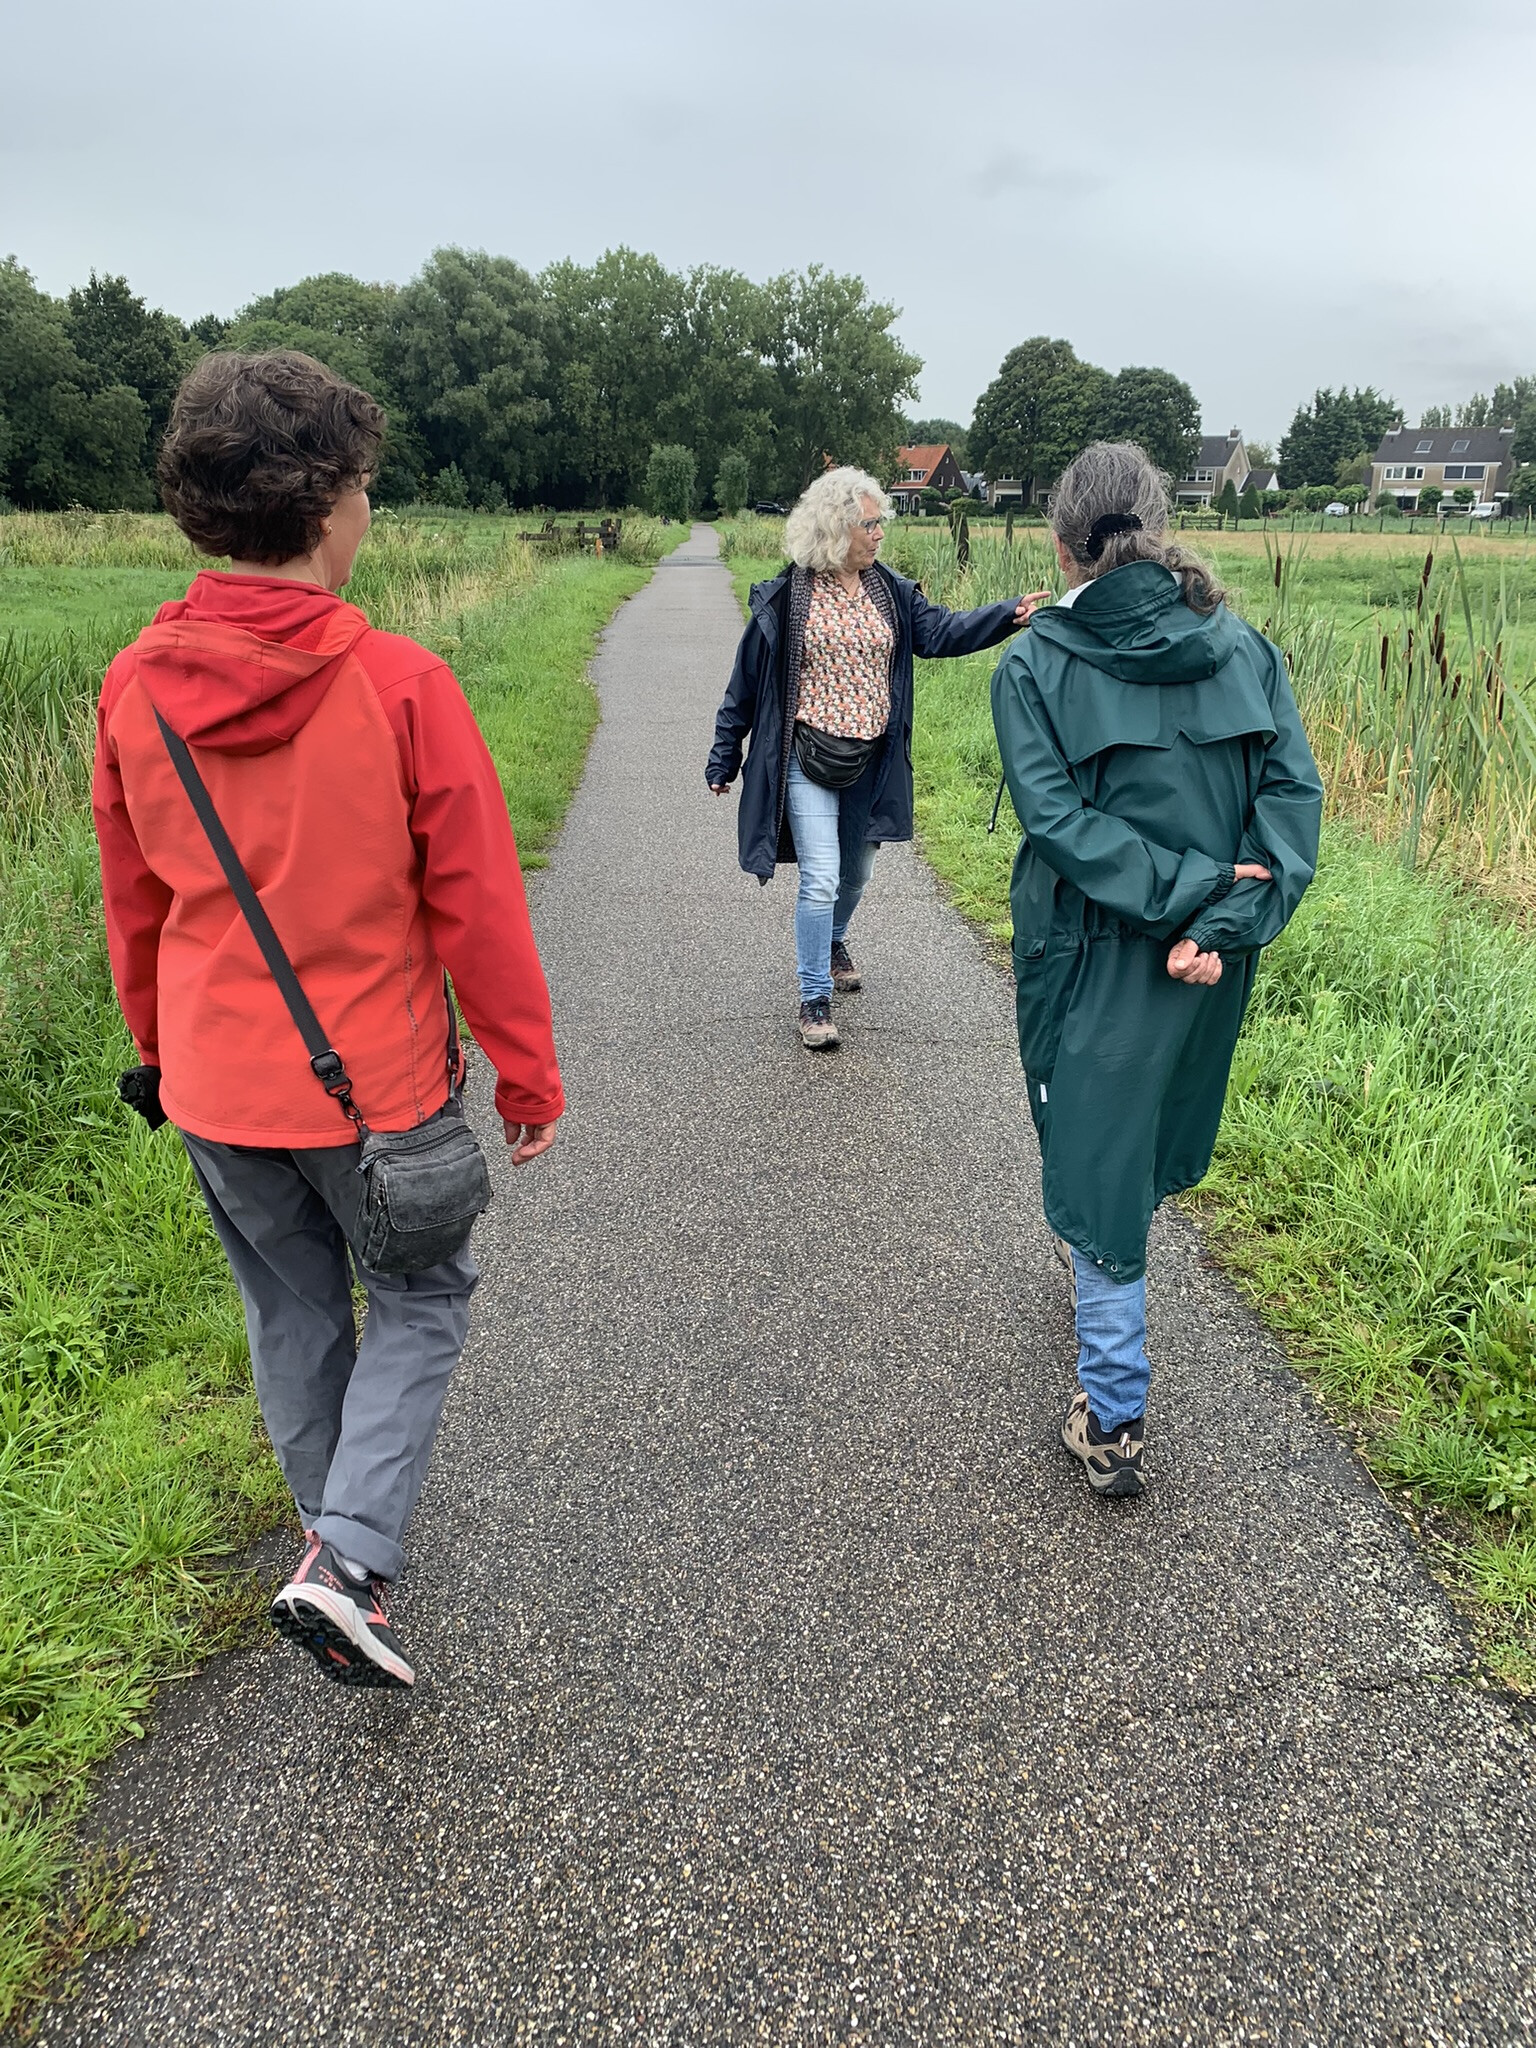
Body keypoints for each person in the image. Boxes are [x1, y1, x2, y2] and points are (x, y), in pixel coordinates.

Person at [93, 351, 564, 1687]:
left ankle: (332, 1542)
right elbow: (478, 908)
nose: (367, 508)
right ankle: (347, 1562)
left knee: (294, 1312)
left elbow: (137, 905)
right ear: (324, 503)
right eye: (362, 486)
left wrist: (158, 1050)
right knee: (424, 1291)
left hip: (212, 1080)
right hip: (376, 1087)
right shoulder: (401, 684)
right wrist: (527, 1073)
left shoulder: (134, 688)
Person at [990, 441, 1322, 1499]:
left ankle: (1114, 1416)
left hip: (1090, 949)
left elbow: (1058, 825)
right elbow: (1291, 814)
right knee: (1129, 1136)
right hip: (1205, 962)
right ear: (1160, 524)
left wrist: (1197, 903)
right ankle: (1093, 1270)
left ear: (1062, 544)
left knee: (1096, 1154)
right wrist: (1221, 919)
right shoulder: (1246, 650)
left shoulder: (1032, 666)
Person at [707, 467, 1046, 1050]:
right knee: (820, 877)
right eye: (870, 524)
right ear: (837, 528)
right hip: (806, 755)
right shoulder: (786, 597)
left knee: (856, 872)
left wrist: (1006, 614)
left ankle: (833, 938)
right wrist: (724, 755)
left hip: (871, 758)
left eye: (879, 522)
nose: (880, 533)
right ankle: (814, 998)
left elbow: (940, 632)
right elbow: (745, 684)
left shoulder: (890, 591)